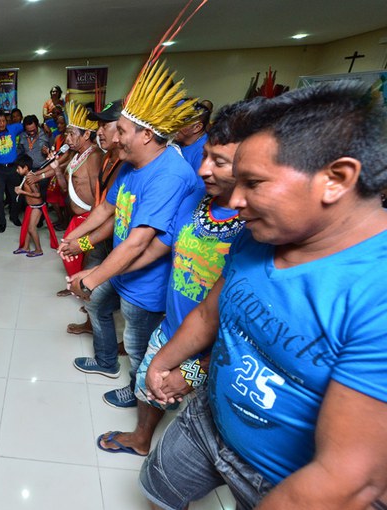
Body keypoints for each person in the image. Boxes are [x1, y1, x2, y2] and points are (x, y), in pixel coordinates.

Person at [140, 81, 387, 510]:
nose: (235, 200)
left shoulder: (375, 294)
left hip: (280, 482)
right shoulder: (258, 235)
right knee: (155, 491)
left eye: (253, 183)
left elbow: (346, 479)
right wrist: (161, 362)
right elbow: (209, 314)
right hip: (207, 421)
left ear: (336, 179)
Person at [95, 102, 246, 458]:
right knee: (150, 384)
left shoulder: (257, 223)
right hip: (176, 324)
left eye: (218, 162)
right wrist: (112, 272)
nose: (203, 169)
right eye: (204, 155)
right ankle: (142, 437)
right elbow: (158, 247)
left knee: (203, 431)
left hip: (217, 349)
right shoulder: (197, 199)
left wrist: (194, 369)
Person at [65, 61, 202, 410]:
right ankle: (107, 362)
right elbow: (108, 212)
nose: (116, 137)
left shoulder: (169, 174)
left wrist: (92, 277)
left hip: (146, 279)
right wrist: (74, 241)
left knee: (139, 345)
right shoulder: (131, 165)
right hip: (123, 266)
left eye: (121, 130)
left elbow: (141, 240)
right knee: (97, 305)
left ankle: (139, 392)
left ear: (145, 134)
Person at [58, 99, 124, 336]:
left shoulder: (122, 163)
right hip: (97, 226)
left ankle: (106, 332)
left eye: (105, 126)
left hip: (110, 234)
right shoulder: (109, 157)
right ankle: (94, 318)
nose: (99, 131)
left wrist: (82, 240)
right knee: (92, 272)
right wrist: (77, 236)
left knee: (99, 277)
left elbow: (114, 216)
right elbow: (105, 206)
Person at [49, 101, 102, 284]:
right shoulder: (76, 155)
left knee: (89, 256)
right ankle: (75, 285)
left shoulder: (94, 156)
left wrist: (93, 223)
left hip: (90, 220)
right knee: (69, 252)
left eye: (71, 134)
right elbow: (65, 188)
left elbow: (99, 193)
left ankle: (86, 293)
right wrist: (56, 169)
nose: (67, 139)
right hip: (77, 218)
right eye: (66, 134)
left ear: (87, 134)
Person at [13, 154, 58, 257]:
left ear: (25, 168)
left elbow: (38, 194)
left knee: (31, 228)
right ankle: (26, 247)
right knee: (28, 227)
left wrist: (22, 192)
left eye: (18, 168)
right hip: (31, 207)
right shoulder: (27, 176)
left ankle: (38, 250)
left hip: (37, 207)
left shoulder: (30, 179)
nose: (16, 170)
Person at [175, 99, 211, 173]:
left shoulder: (203, 151)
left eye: (180, 121)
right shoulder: (178, 142)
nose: (173, 126)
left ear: (197, 127)